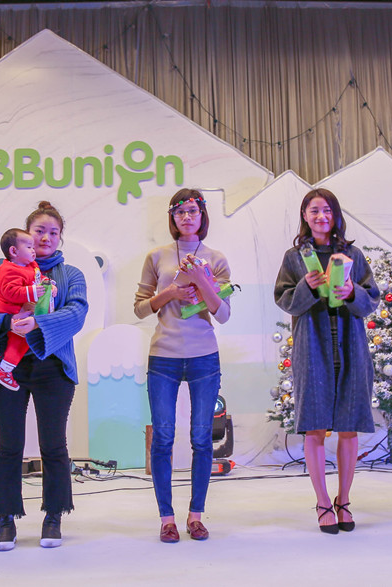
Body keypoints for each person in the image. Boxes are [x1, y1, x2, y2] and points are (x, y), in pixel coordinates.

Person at [0, 201, 87, 551]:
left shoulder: (71, 275)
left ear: (60, 238)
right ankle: (5, 519)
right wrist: (7, 322)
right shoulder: (5, 271)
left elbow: (77, 312)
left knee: (53, 446)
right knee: (8, 445)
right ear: (25, 237)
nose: (46, 238)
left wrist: (38, 323)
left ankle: (53, 516)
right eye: (39, 231)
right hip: (10, 369)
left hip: (54, 368)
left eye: (53, 232)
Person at [273, 188, 379, 534]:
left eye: (327, 210)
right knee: (315, 426)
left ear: (336, 215)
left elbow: (371, 299)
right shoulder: (295, 257)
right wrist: (305, 285)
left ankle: (343, 500)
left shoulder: (352, 255)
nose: (321, 217)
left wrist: (352, 292)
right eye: (314, 210)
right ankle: (322, 502)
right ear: (304, 215)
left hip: (351, 347)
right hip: (312, 348)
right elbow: (284, 300)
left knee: (349, 426)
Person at [133, 188, 231, 543]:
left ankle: (196, 516)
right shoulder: (156, 256)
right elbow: (140, 309)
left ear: (202, 216)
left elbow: (223, 314)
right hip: (164, 356)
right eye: (180, 212)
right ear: (172, 218)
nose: (187, 217)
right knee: (163, 438)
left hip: (205, 356)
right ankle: (167, 518)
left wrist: (203, 282)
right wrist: (171, 293)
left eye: (193, 211)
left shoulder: (216, 259)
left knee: (202, 439)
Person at [0, 228, 54, 391]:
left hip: (19, 310)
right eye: (29, 247)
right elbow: (10, 292)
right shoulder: (8, 270)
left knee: (3, 339)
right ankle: (4, 371)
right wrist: (33, 291)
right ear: (13, 251)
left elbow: (38, 278)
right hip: (7, 310)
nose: (33, 250)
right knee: (20, 339)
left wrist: (48, 284)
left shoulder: (31, 265)